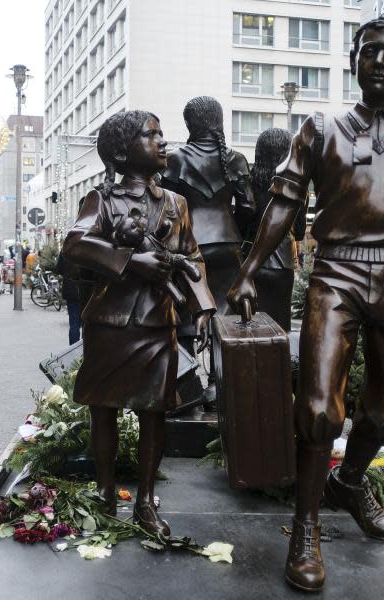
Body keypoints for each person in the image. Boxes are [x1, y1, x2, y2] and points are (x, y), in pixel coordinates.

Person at [228, 15, 384, 592]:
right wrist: (248, 271)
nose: (378, 62)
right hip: (336, 274)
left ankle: (350, 482)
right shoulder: (321, 130)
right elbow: (283, 203)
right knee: (320, 408)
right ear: (353, 60)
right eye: (369, 52)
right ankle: (306, 527)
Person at [62, 110, 215, 535]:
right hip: (110, 322)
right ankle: (106, 491)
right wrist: (131, 261)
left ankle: (145, 501)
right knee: (104, 410)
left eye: (162, 134)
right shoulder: (102, 200)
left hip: (156, 324)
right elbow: (74, 246)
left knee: (155, 412)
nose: (163, 142)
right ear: (120, 151)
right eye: (152, 135)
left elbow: (194, 257)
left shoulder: (175, 204)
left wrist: (203, 307)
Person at [161, 96, 254, 316]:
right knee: (229, 315)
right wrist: (233, 228)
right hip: (228, 243)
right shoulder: (236, 159)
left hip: (189, 246)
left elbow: (166, 208)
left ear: (189, 124)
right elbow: (248, 207)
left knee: (187, 314)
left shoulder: (175, 160)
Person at [245, 127, 304, 332]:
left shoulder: (249, 182)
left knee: (250, 322)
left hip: (250, 259)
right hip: (282, 261)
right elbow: (300, 227)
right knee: (280, 324)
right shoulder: (293, 184)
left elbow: (244, 218)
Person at [55, 242, 84, 344]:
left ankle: (74, 352)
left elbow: (59, 269)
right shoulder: (89, 248)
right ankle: (86, 349)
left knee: (74, 324)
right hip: (87, 291)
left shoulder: (66, 250)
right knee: (87, 324)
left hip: (71, 290)